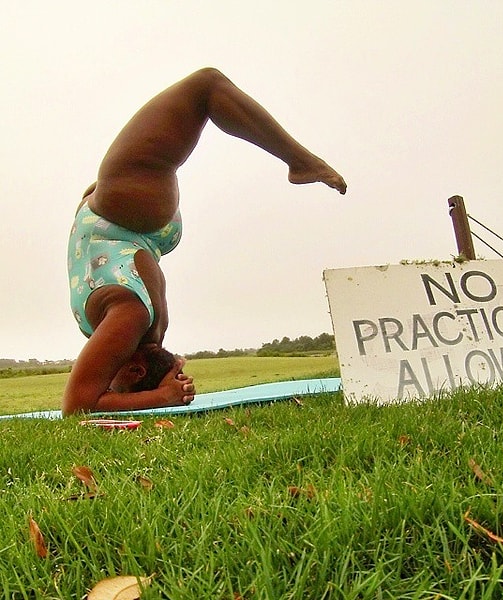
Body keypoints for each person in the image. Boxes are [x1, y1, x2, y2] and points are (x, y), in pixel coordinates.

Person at [62, 67, 347, 416]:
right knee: (205, 88)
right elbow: (79, 405)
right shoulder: (133, 321)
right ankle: (301, 163)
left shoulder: (145, 327)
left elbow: (87, 399)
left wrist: (160, 391)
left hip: (127, 226)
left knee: (203, 91)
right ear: (135, 369)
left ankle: (299, 162)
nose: (106, 380)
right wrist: (161, 397)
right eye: (114, 383)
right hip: (123, 216)